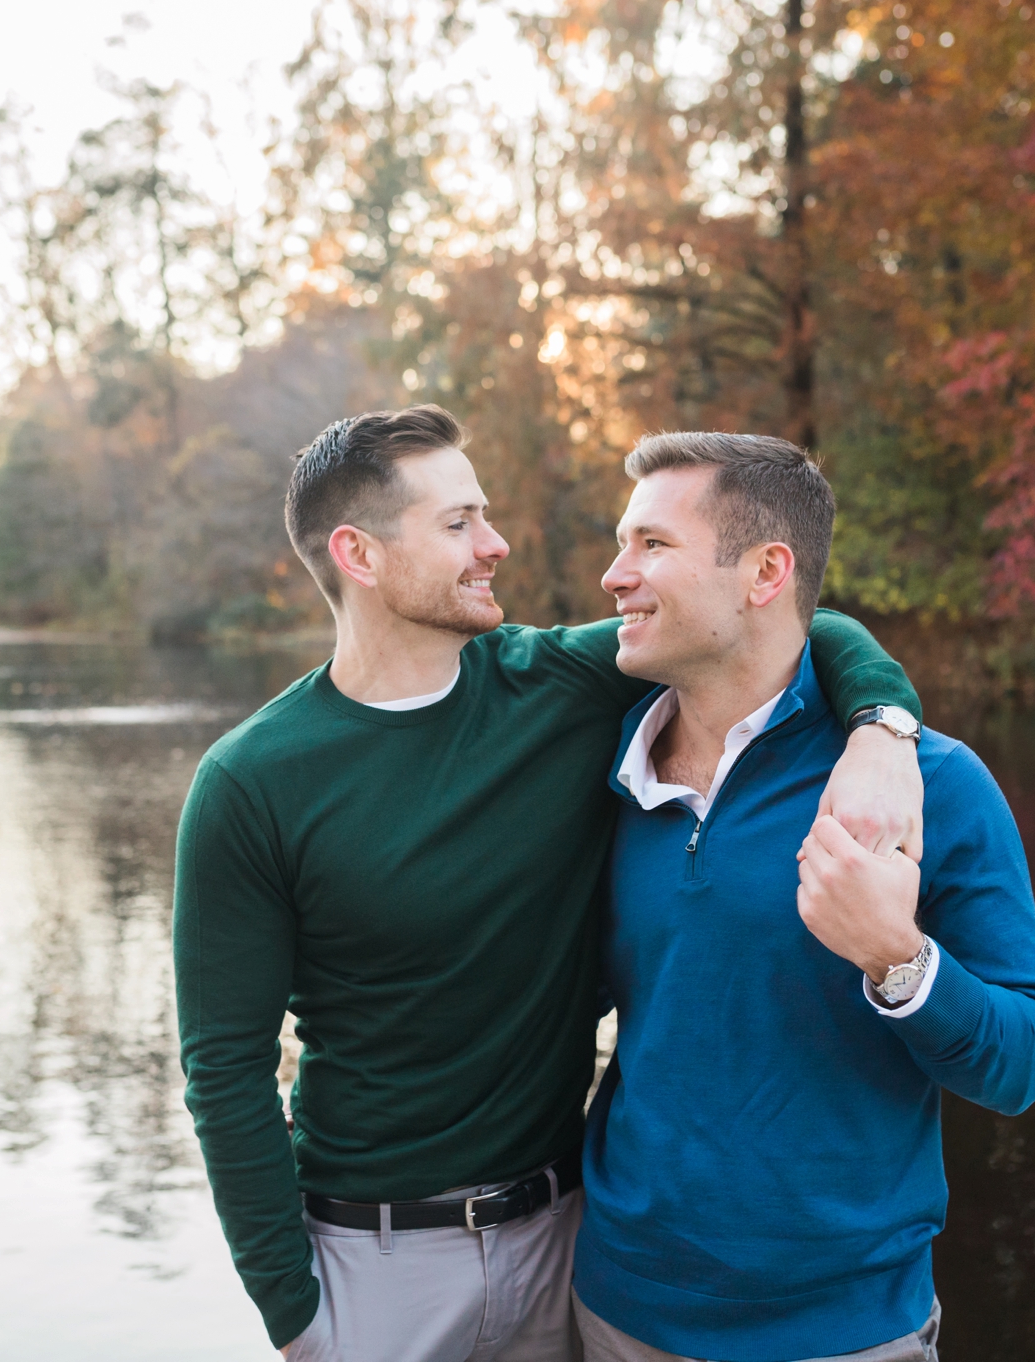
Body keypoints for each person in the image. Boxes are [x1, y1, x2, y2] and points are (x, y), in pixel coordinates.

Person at [173, 405, 931, 1362]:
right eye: (457, 525)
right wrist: (296, 1314)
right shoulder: (251, 782)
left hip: (566, 1245)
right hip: (373, 1268)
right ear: (359, 555)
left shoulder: (555, 686)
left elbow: (784, 613)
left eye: (483, 514)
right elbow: (224, 1070)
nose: (494, 545)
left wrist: (881, 730)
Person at [573, 432, 1035, 1362]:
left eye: (652, 545)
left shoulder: (932, 787)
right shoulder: (593, 763)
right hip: (615, 1311)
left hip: (842, 1334)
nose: (614, 575)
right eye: (621, 542)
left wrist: (897, 958)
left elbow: (1028, 1058)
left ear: (765, 572)